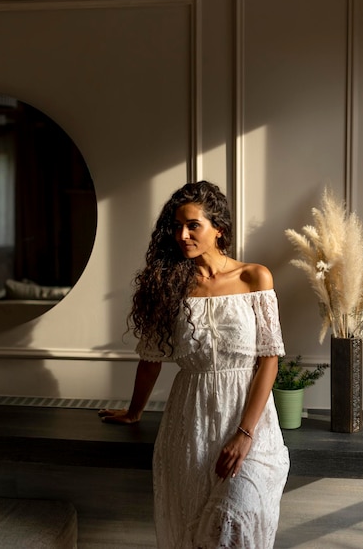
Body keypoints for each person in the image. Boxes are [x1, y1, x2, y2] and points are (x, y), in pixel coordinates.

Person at [98, 180, 289, 548]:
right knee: (192, 529)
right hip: (190, 421)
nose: (181, 235)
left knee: (234, 522)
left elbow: (269, 360)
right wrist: (134, 412)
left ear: (219, 228)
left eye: (192, 225)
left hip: (249, 418)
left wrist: (245, 434)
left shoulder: (254, 277)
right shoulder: (169, 286)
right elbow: (151, 359)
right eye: (175, 227)